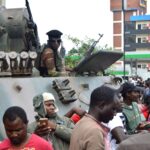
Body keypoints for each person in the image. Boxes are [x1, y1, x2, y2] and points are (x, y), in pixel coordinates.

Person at [69, 85, 121, 150]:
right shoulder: (95, 131)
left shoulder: (82, 122)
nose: (115, 114)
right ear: (101, 105)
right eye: (113, 109)